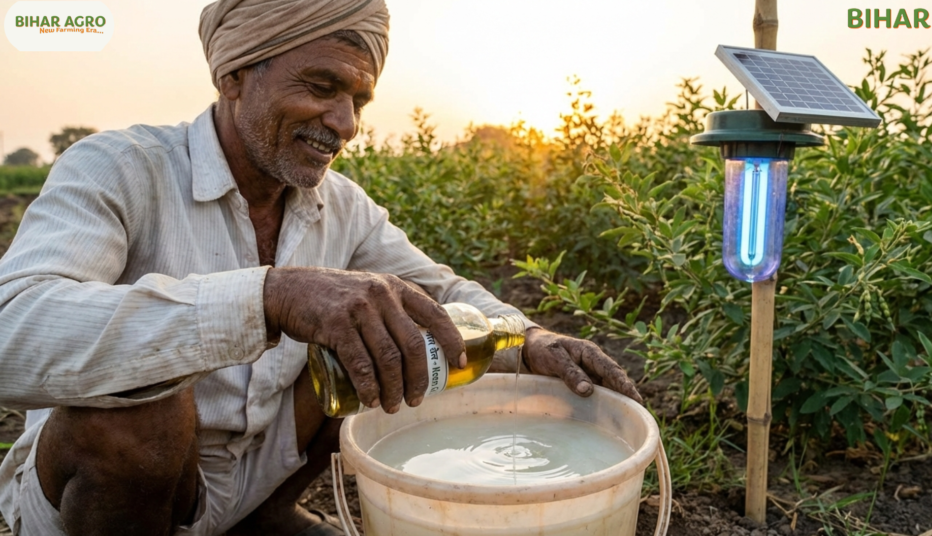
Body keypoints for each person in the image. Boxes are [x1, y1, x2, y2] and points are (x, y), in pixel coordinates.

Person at [0, 0, 642, 535]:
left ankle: (264, 518)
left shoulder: (341, 209)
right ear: (235, 76)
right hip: (99, 502)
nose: (346, 123)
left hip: (252, 475)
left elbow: (440, 293)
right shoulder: (118, 168)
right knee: (143, 404)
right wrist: (270, 296)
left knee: (383, 329)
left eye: (359, 99)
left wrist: (533, 340)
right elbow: (11, 332)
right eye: (322, 87)